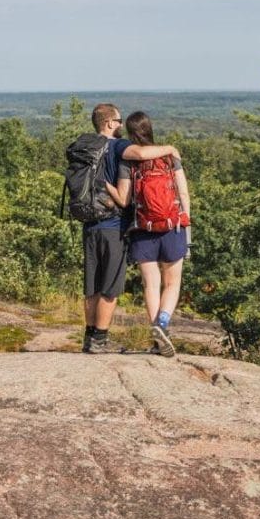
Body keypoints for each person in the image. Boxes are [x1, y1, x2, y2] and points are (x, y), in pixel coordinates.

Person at [80, 103, 180, 355]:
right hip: (113, 225)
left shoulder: (86, 147)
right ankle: (100, 340)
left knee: (91, 285)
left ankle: (89, 337)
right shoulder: (118, 146)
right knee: (110, 286)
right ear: (109, 123)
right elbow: (142, 154)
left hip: (89, 223)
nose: (121, 125)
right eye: (119, 120)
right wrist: (170, 148)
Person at [105, 111, 191, 358]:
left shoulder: (128, 161)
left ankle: (157, 339)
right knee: (172, 283)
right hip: (173, 226)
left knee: (151, 284)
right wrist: (187, 225)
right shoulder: (169, 156)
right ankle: (162, 324)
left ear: (131, 133)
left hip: (143, 229)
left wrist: (104, 184)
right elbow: (183, 194)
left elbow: (124, 199)